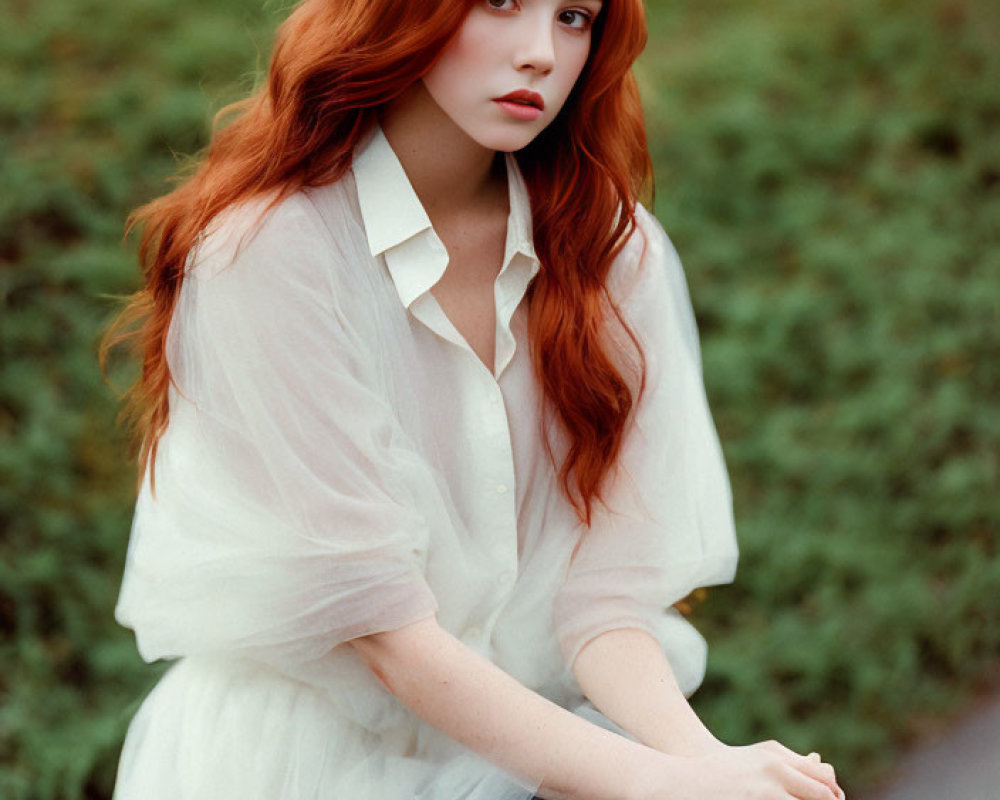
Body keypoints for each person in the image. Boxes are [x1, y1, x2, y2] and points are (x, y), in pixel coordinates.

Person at [103, 1, 846, 799]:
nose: (540, 54)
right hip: (303, 762)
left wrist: (706, 762)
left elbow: (602, 597)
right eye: (499, 1)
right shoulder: (272, 250)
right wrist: (660, 784)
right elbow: (384, 631)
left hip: (533, 745)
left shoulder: (611, 250)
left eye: (573, 16)